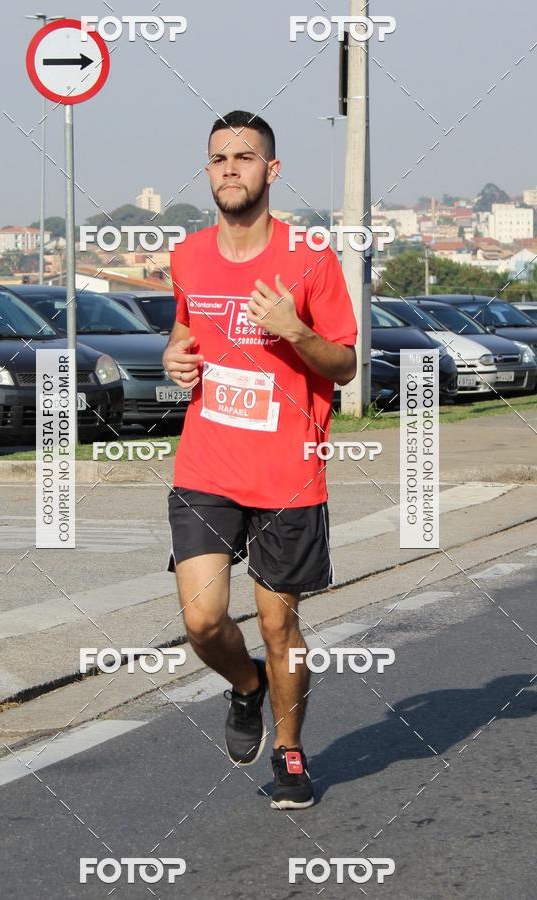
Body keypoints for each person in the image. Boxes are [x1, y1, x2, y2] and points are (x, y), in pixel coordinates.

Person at [162, 110, 357, 809]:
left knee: (278, 624)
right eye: (219, 159)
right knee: (202, 621)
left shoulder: (310, 259)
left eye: (246, 158)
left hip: (287, 473)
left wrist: (295, 330)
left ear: (271, 171)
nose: (231, 169)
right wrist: (174, 358)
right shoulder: (188, 257)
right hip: (207, 468)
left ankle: (291, 751)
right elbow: (184, 332)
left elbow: (345, 363)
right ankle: (246, 688)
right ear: (208, 171)